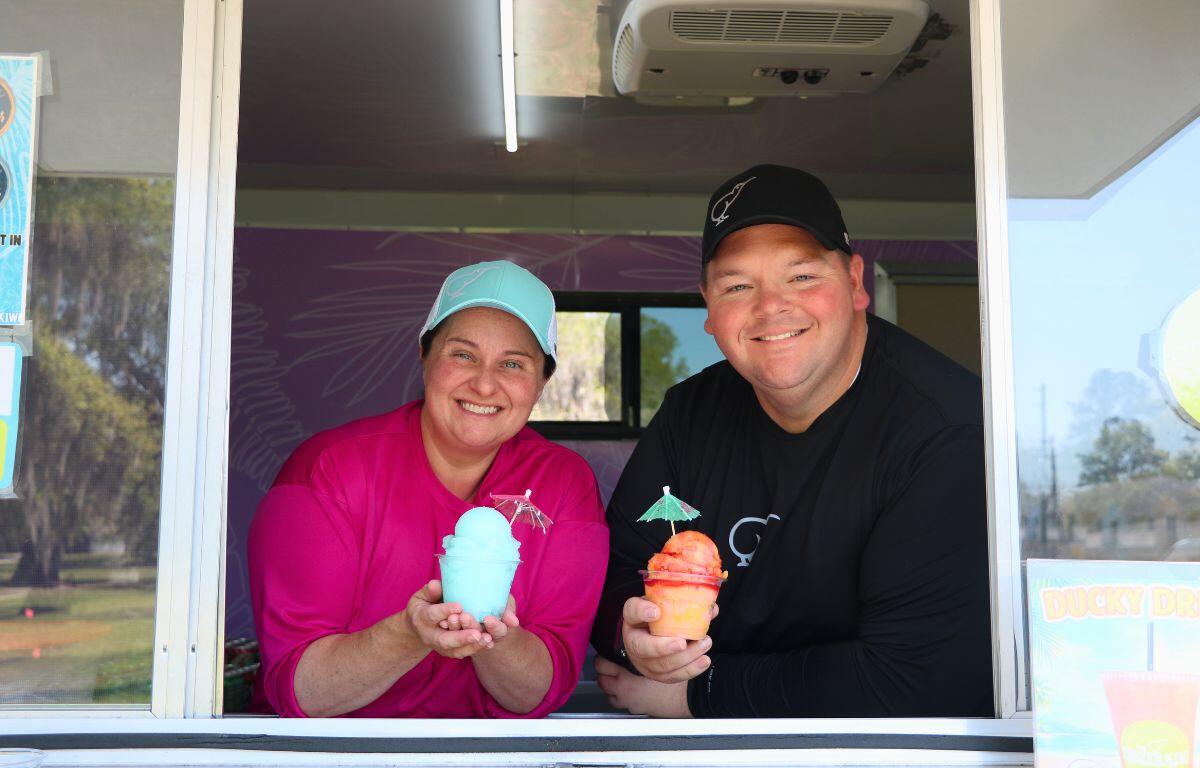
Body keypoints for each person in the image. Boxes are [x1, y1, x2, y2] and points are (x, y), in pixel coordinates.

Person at [591, 165, 993, 718]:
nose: (770, 306)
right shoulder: (691, 413)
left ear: (855, 283)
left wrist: (696, 696)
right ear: (708, 307)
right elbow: (612, 574)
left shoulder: (944, 432)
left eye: (801, 276)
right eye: (737, 286)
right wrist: (630, 634)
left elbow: (917, 677)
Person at [249, 260, 609, 718]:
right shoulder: (330, 470)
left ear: (541, 383)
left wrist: (493, 638)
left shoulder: (563, 485)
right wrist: (410, 632)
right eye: (463, 354)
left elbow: (542, 692)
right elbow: (302, 692)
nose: (483, 383)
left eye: (513, 363)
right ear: (425, 353)